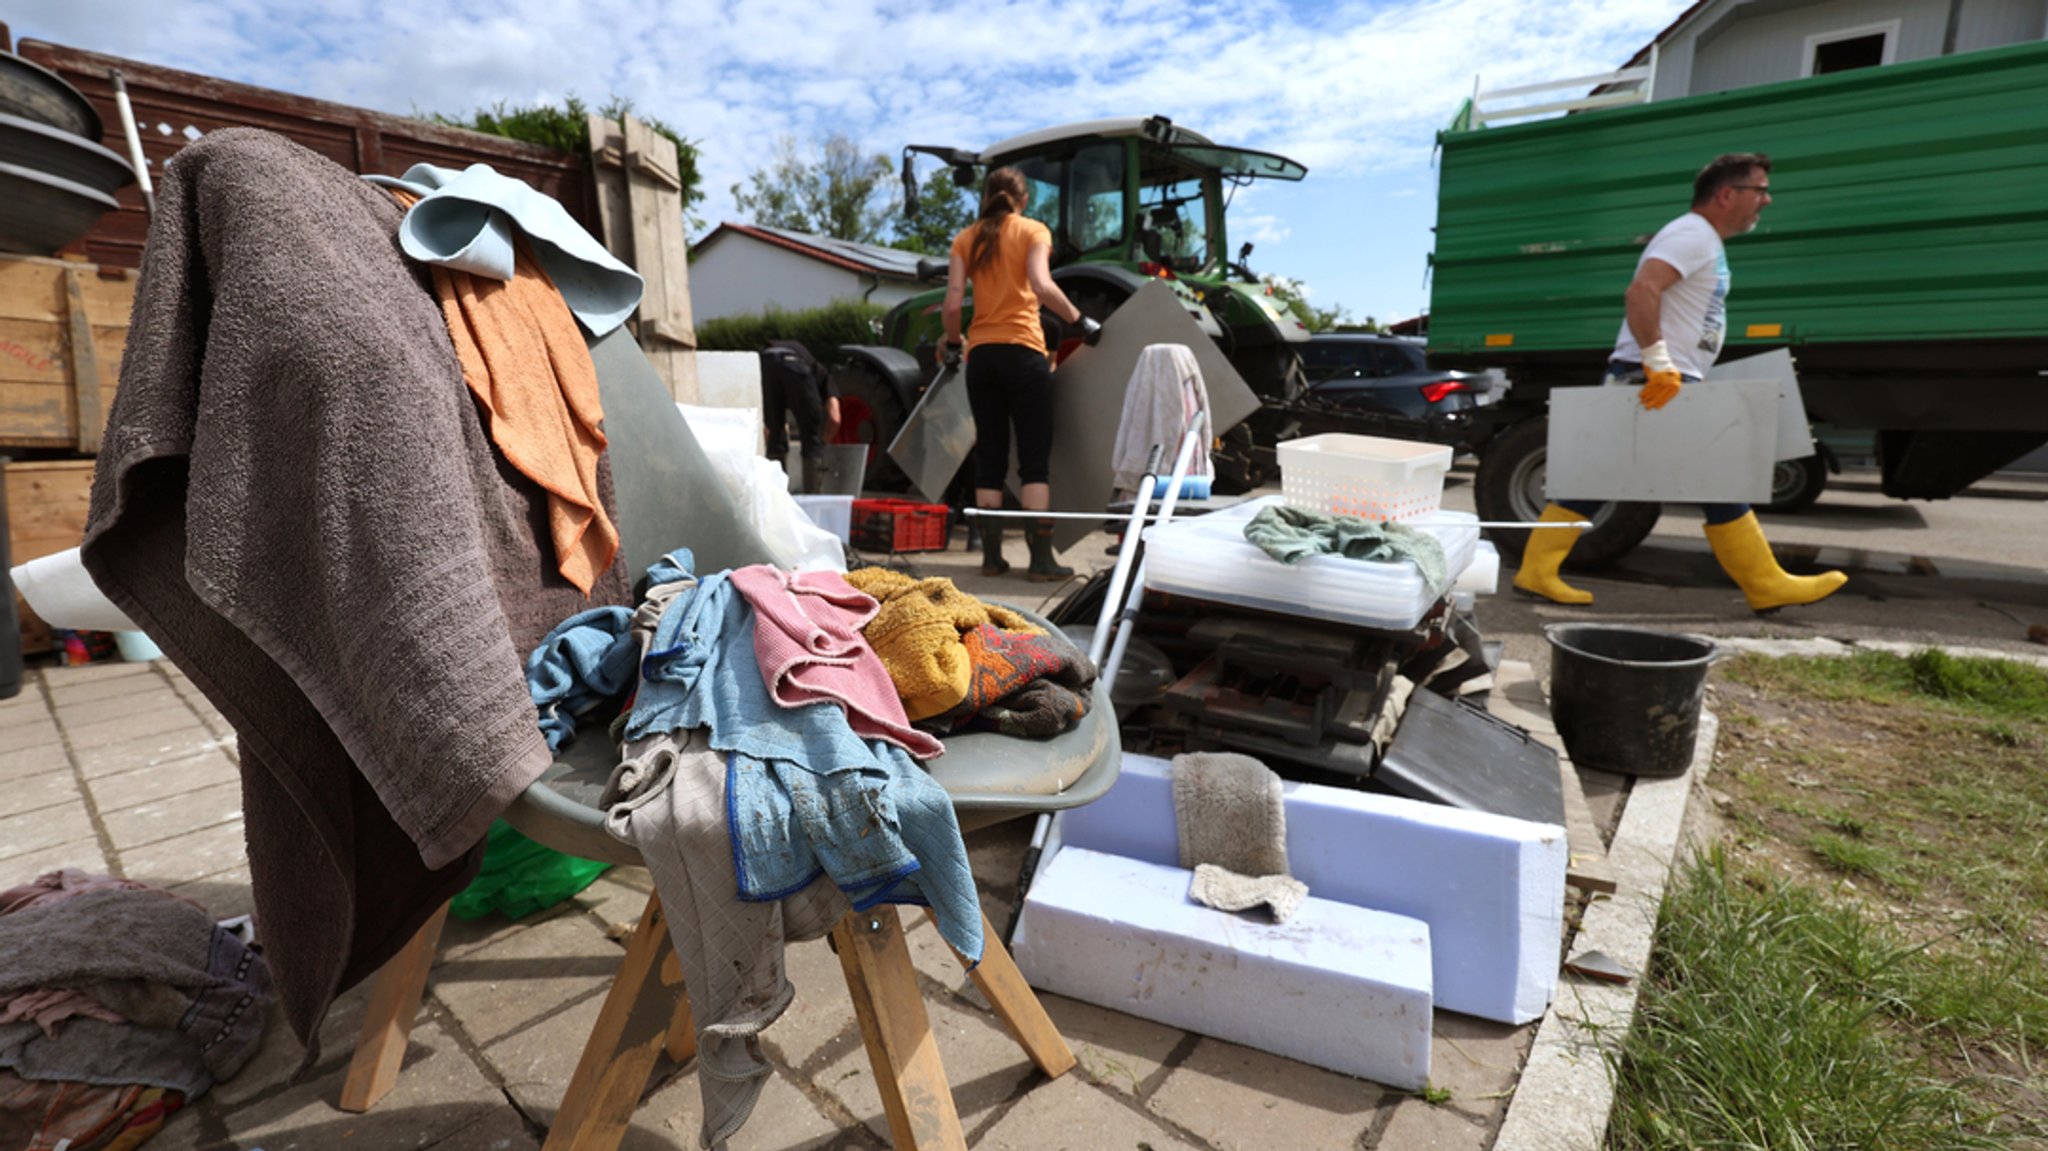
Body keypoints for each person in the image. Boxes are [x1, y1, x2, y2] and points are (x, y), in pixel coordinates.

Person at [1514, 152, 1848, 614]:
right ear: (1726, 194)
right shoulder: (1692, 234)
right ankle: (1765, 583)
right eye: (1760, 190)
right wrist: (1658, 362)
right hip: (1655, 380)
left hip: (1656, 377)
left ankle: (1537, 572)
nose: (1767, 200)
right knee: (1720, 479)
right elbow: (1642, 291)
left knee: (1603, 478)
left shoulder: (1701, 239)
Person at [942, 166, 1100, 580]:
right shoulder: (1033, 230)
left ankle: (991, 559)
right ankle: (1041, 562)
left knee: (990, 454)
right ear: (1023, 199)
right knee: (1034, 462)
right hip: (1025, 353)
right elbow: (1042, 285)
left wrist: (954, 344)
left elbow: (954, 302)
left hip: (983, 357)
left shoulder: (965, 238)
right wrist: (1080, 321)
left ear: (986, 196)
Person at [759, 338, 840, 493]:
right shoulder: (825, 378)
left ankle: (777, 498)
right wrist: (821, 444)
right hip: (794, 363)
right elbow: (835, 418)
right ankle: (813, 499)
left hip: (765, 361)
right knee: (812, 439)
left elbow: (767, 430)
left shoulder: (810, 363)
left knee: (775, 438)